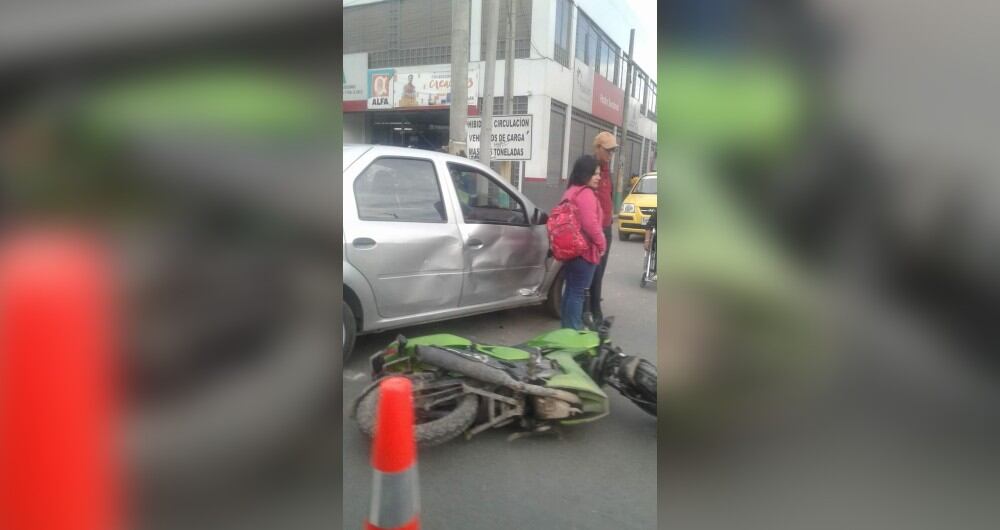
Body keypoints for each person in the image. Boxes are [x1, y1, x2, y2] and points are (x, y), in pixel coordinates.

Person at [559, 155, 607, 330]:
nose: (598, 177)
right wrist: (602, 244)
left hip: (571, 250)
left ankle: (565, 330)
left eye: (599, 174)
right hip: (584, 252)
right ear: (585, 173)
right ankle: (572, 331)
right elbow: (590, 224)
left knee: (571, 290)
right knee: (577, 293)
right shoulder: (585, 193)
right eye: (594, 173)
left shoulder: (571, 190)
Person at [589, 131, 617, 322]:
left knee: (600, 271)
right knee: (592, 271)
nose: (610, 154)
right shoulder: (590, 169)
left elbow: (609, 196)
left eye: (613, 151)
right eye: (608, 150)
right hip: (592, 229)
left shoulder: (607, 171)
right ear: (598, 148)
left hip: (606, 228)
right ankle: (591, 310)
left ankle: (594, 306)